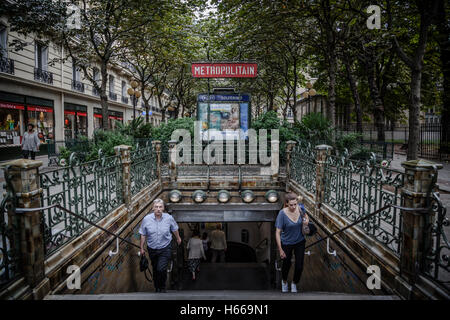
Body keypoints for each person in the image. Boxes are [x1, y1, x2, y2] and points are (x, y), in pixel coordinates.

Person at [139, 198, 182, 293]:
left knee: (161, 268)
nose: (158, 209)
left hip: (165, 247)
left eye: (160, 207)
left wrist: (178, 238)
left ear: (163, 208)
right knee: (155, 268)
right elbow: (143, 234)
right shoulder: (146, 219)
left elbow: (174, 228)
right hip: (152, 248)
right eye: (156, 207)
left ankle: (162, 286)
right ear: (152, 208)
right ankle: (157, 287)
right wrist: (141, 248)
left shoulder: (169, 218)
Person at [275, 192, 309, 293]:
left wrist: (306, 221)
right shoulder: (282, 214)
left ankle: (294, 283)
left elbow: (306, 217)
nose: (293, 207)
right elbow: (277, 233)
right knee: (287, 264)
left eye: (295, 204)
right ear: (286, 203)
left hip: (300, 241)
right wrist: (280, 249)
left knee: (299, 266)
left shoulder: (300, 208)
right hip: (287, 243)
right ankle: (284, 281)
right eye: (291, 205)